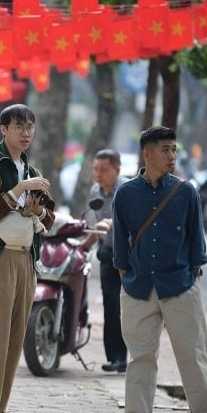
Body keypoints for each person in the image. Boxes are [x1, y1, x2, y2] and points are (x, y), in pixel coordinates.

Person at [104, 126, 207, 413]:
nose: (172, 156)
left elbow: (197, 248)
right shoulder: (126, 193)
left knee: (193, 356)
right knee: (140, 358)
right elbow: (120, 245)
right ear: (147, 154)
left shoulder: (186, 192)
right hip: (138, 287)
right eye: (165, 150)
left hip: (180, 287)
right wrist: (127, 279)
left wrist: (188, 279)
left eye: (174, 149)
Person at [0, 104, 56, 413]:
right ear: (3, 129)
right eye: (19, 126)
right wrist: (20, 190)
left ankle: (0, 410)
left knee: (16, 335)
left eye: (31, 127)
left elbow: (48, 215)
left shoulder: (31, 168)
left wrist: (37, 209)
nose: (26, 133)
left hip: (25, 258)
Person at [81, 149, 128, 373]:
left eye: (104, 170)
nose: (99, 174)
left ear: (117, 170)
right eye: (95, 169)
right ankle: (115, 358)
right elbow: (96, 225)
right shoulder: (94, 192)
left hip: (129, 257)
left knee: (127, 306)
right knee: (110, 304)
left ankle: (128, 356)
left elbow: (132, 223)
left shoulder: (127, 190)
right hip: (108, 253)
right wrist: (83, 246)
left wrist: (112, 223)